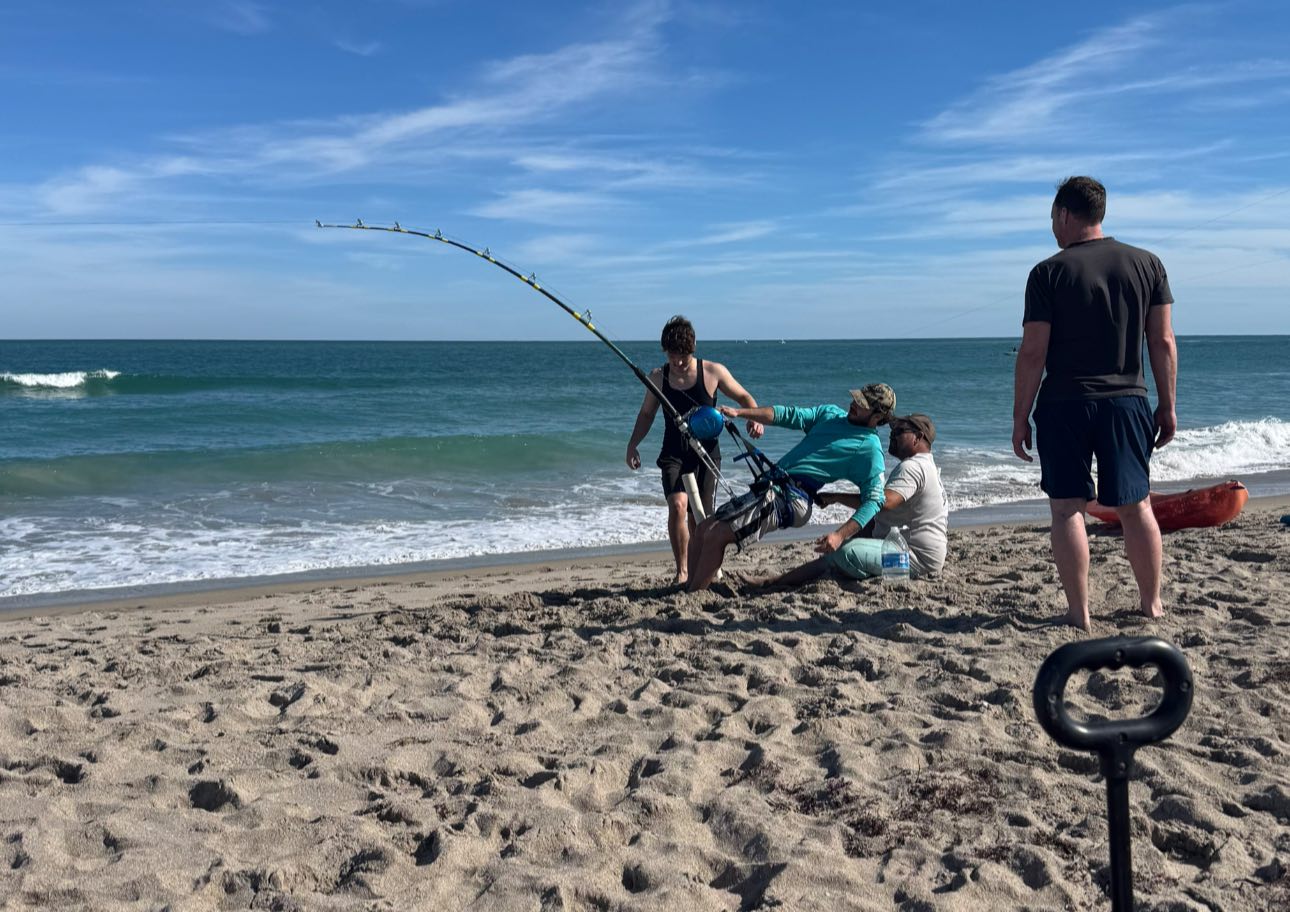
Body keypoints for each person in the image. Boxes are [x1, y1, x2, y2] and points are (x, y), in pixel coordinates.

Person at [1012, 176, 1178, 631]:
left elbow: (1033, 352)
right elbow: (1162, 341)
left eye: (1052, 218)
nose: (1052, 227)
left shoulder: (1047, 273)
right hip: (1127, 399)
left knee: (1067, 508)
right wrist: (1167, 404)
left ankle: (1079, 613)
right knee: (1137, 506)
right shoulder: (1148, 264)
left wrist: (1020, 416)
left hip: (1065, 402)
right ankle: (1152, 605)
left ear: (1065, 215)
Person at [685, 383, 896, 592]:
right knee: (703, 530)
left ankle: (695, 595)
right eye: (856, 398)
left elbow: (874, 500)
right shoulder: (831, 414)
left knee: (716, 535)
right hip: (771, 487)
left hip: (792, 498)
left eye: (862, 404)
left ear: (877, 416)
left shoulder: (869, 448)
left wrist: (840, 535)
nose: (854, 404)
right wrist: (740, 412)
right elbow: (787, 415)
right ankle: (688, 589)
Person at [626, 316, 763, 586]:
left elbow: (745, 398)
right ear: (665, 351)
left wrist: (754, 418)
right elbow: (646, 414)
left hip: (706, 454)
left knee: (700, 515)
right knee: (678, 506)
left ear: (694, 348)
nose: (678, 363)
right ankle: (682, 571)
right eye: (672, 356)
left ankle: (703, 568)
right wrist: (633, 445)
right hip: (673, 452)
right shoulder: (658, 377)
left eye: (683, 357)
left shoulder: (713, 372)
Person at [757, 413, 948, 587]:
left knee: (846, 553)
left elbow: (884, 502)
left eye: (899, 432)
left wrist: (837, 499)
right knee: (851, 541)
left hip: (911, 559)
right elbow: (881, 509)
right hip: (926, 556)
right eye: (892, 431)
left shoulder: (912, 467)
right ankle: (776, 581)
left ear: (918, 437)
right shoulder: (927, 466)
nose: (892, 435)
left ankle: (774, 582)